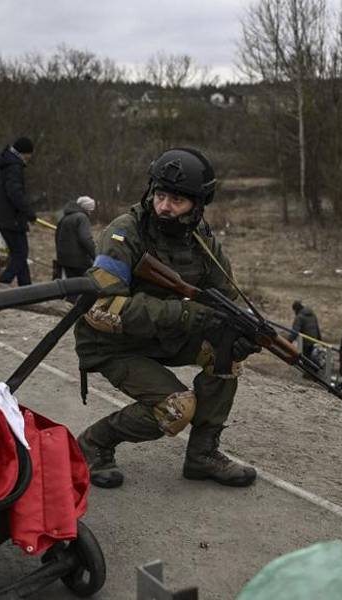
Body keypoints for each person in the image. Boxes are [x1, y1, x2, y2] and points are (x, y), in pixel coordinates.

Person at [74, 147, 260, 489]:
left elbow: (225, 298)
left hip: (162, 337)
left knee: (228, 349)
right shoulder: (124, 233)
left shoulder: (200, 238)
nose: (164, 207)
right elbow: (101, 310)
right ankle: (93, 444)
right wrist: (188, 313)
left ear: (198, 205)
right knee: (177, 408)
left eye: (176, 200)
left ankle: (202, 456)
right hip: (113, 344)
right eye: (160, 195)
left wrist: (242, 330)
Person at [0, 137, 37, 286]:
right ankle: (2, 283)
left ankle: (26, 287)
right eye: (29, 156)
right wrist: (29, 212)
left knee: (18, 253)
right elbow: (15, 193)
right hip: (10, 217)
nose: (29, 159)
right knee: (21, 254)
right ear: (25, 153)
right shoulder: (14, 166)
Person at [55, 195, 96, 279]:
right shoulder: (82, 217)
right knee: (86, 285)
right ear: (86, 209)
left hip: (64, 260)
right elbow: (86, 239)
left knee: (72, 287)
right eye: (90, 210)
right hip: (79, 261)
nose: (90, 213)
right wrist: (96, 256)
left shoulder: (64, 217)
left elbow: (57, 236)